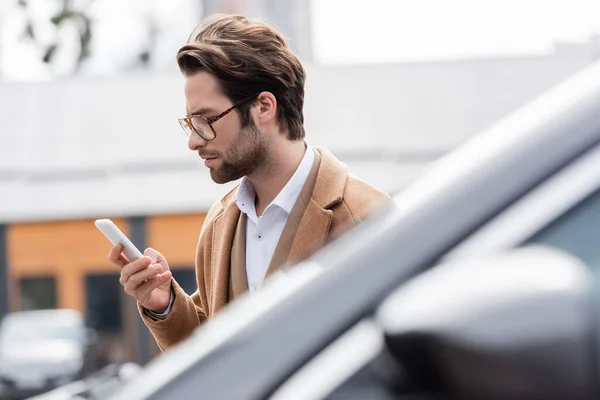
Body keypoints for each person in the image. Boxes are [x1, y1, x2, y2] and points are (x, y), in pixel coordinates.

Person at [108, 13, 390, 352]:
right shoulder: (219, 222)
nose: (194, 141)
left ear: (264, 107)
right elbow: (215, 357)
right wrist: (164, 304)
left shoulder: (369, 218)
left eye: (206, 120)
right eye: (191, 123)